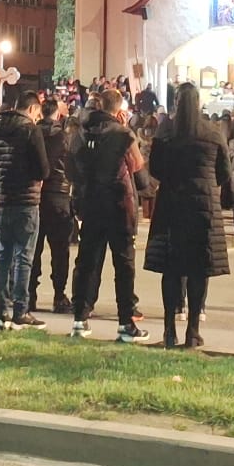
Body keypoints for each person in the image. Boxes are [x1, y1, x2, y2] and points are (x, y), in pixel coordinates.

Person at [143, 82, 229, 349]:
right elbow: (224, 172)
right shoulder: (212, 132)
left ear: (176, 102)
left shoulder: (166, 132)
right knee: (198, 269)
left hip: (172, 203)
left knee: (171, 269)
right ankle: (193, 330)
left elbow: (155, 169)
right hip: (203, 206)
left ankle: (169, 330)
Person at [70, 88, 146, 341]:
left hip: (91, 202)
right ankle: (125, 322)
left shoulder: (81, 132)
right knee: (123, 263)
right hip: (118, 203)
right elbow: (137, 164)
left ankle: (80, 318)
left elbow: (72, 167)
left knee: (87, 260)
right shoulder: (123, 134)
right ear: (119, 109)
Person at [0, 92, 49, 330]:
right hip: (26, 200)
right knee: (24, 256)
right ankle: (20, 310)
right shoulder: (30, 130)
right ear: (32, 109)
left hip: (2, 200)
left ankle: (1, 311)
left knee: (3, 255)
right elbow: (43, 170)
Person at [32, 104, 78, 314]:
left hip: (36, 196)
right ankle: (59, 295)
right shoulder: (65, 138)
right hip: (59, 196)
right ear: (57, 114)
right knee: (60, 252)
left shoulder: (32, 134)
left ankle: (30, 294)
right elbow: (73, 168)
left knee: (33, 249)